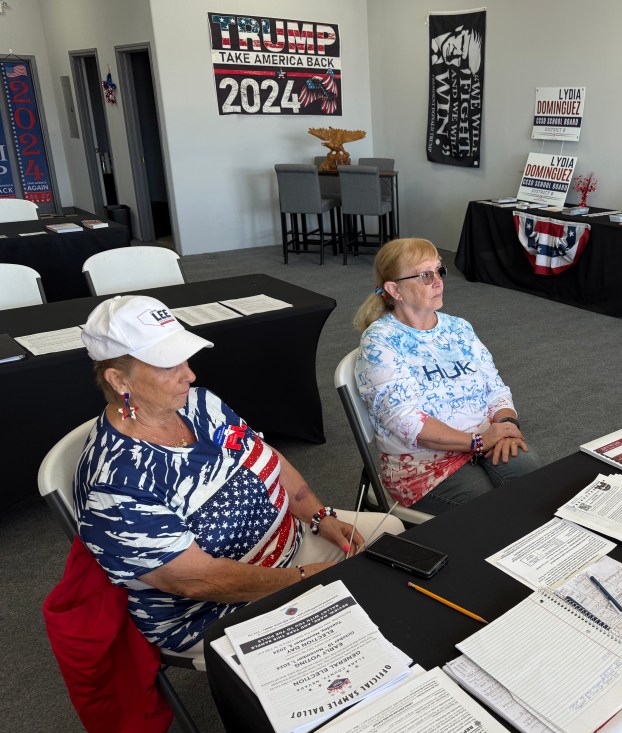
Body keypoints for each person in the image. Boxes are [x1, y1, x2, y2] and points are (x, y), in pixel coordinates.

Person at [75, 294, 404, 663]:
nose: (190, 374)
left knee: (391, 540)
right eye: (168, 365)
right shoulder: (115, 485)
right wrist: (301, 579)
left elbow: (268, 459)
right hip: (214, 606)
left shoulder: (199, 403)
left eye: (184, 357)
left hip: (291, 545)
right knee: (344, 640)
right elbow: (198, 580)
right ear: (119, 380)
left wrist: (318, 515)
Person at [354, 237, 544, 515]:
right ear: (395, 290)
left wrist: (505, 425)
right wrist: (477, 442)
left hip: (486, 439)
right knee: (496, 514)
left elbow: (495, 387)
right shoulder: (380, 342)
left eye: (439, 271)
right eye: (424, 275)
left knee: (540, 487)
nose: (438, 281)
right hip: (422, 465)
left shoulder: (459, 328)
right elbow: (405, 421)